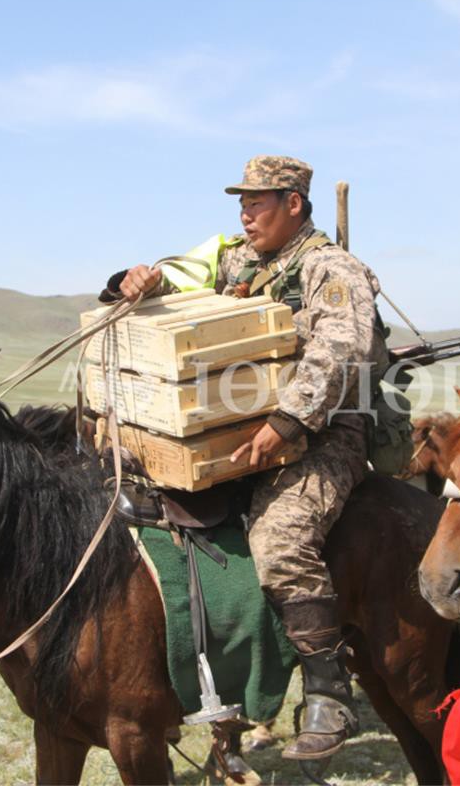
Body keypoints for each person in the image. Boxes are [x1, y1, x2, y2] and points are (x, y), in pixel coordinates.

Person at [102, 155, 388, 760]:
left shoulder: (331, 268)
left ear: (295, 204)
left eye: (259, 201)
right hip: (238, 427)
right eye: (242, 201)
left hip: (326, 432)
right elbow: (178, 282)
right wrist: (137, 281)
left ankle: (329, 691)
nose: (245, 211)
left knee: (282, 537)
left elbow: (344, 347)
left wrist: (286, 421)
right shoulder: (238, 259)